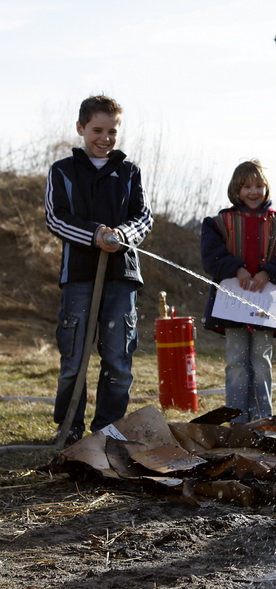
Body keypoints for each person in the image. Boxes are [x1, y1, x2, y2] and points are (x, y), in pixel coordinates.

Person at [44, 95, 154, 445]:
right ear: (81, 129)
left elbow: (144, 217)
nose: (104, 138)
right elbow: (56, 217)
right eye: (97, 130)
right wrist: (95, 235)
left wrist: (122, 235)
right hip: (78, 276)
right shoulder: (62, 171)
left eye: (112, 131)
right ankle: (69, 429)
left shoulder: (129, 172)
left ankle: (108, 430)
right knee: (74, 359)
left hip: (121, 276)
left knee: (118, 360)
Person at [201, 160, 276, 423]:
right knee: (236, 361)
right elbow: (211, 256)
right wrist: (237, 269)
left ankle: (262, 419)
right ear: (236, 189)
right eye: (246, 186)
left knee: (261, 360)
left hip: (265, 308)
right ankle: (237, 419)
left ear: (267, 188)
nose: (253, 191)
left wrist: (268, 271)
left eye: (259, 185)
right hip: (231, 306)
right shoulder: (219, 223)